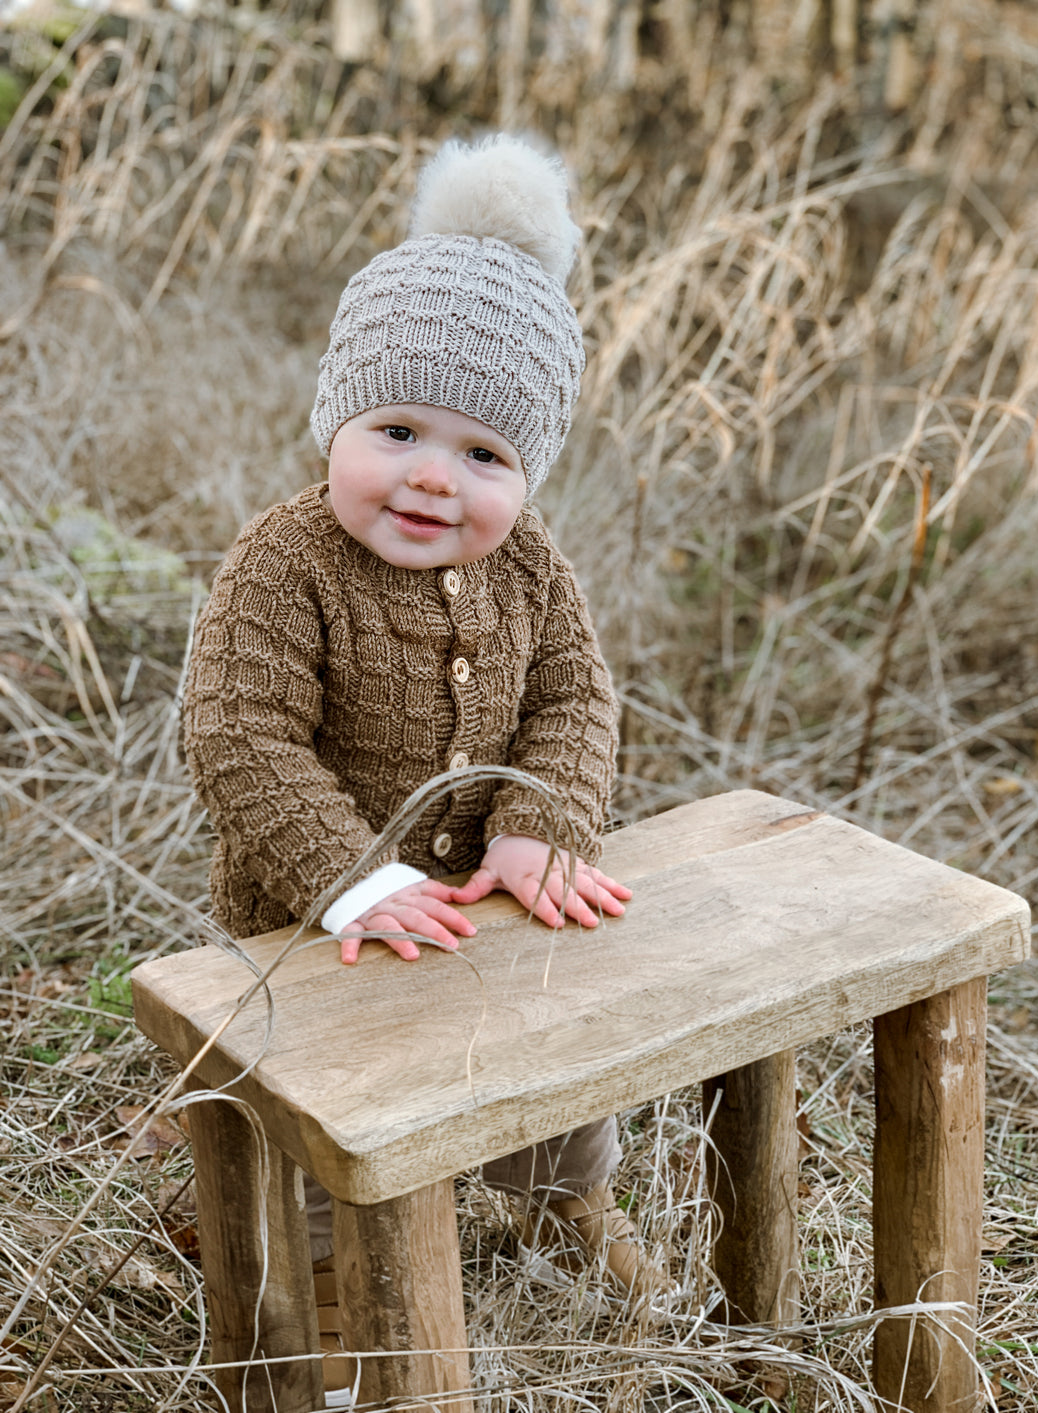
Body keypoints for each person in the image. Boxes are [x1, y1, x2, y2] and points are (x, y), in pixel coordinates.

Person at [182, 134, 670, 1393]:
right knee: (340, 1128)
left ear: (528, 472)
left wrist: (539, 822)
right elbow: (240, 738)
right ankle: (339, 1298)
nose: (430, 479)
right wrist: (354, 875)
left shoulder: (530, 568)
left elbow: (575, 691)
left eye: (484, 456)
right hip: (318, 925)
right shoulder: (284, 567)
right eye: (396, 428)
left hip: (487, 909)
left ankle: (562, 1203)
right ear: (336, 414)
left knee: (550, 1068)